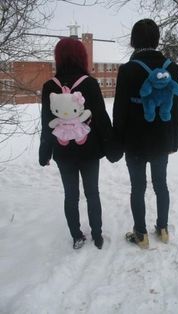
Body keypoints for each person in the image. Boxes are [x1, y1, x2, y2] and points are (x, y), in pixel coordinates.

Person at [112, 19, 178, 249]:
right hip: (162, 139)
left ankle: (140, 235)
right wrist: (175, 141)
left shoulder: (127, 70)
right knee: (161, 185)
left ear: (134, 40)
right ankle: (162, 230)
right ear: (156, 39)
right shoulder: (172, 68)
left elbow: (119, 110)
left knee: (138, 188)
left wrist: (118, 140)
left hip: (134, 142)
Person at [39, 37, 113, 250]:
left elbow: (47, 123)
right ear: (82, 56)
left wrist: (45, 152)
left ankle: (76, 236)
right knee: (92, 193)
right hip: (89, 151)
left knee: (70, 195)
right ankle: (97, 235)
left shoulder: (48, 87)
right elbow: (100, 118)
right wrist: (111, 147)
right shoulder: (89, 84)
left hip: (63, 152)